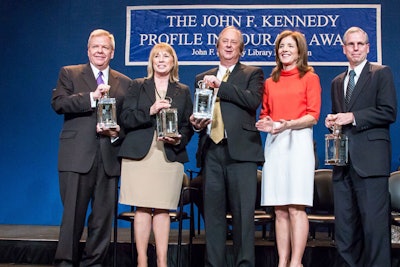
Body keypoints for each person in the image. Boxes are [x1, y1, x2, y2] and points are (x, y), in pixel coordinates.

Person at [51, 29, 132, 266]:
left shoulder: (124, 82)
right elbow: (59, 103)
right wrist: (92, 97)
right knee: (72, 217)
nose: (100, 51)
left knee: (102, 219)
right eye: (95, 46)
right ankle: (65, 262)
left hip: (108, 158)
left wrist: (117, 133)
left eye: (105, 47)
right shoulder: (70, 73)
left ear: (112, 52)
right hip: (76, 157)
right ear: (88, 50)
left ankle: (94, 263)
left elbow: (127, 120)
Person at [190, 26, 264, 267]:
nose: (229, 45)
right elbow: (200, 111)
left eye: (234, 42)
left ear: (241, 49)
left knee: (244, 217)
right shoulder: (202, 77)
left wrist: (220, 86)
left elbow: (252, 100)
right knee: (213, 217)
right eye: (225, 41)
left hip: (241, 153)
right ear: (217, 46)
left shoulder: (253, 74)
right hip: (211, 151)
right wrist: (196, 124)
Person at [325, 26, 397, 266]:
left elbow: (388, 111)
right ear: (344, 49)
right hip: (343, 163)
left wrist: (353, 117)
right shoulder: (337, 81)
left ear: (367, 47)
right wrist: (332, 120)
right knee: (345, 229)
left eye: (360, 44)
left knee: (374, 230)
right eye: (351, 44)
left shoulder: (380, 73)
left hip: (370, 163)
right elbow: (340, 117)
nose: (355, 48)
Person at [118, 42, 193, 267]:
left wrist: (179, 138)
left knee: (163, 208)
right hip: (140, 155)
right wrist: (149, 111)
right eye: (156, 57)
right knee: (141, 207)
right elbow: (126, 118)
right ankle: (142, 259)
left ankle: (162, 261)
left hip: (168, 155)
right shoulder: (137, 85)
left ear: (173, 62)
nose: (161, 60)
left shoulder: (183, 90)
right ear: (151, 62)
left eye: (166, 57)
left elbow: (187, 126)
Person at [255, 30, 321, 267]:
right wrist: (265, 123)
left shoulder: (310, 78)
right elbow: (265, 113)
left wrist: (288, 124)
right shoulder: (271, 81)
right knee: (280, 209)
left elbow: (313, 116)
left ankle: (296, 262)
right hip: (275, 145)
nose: (285, 50)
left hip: (299, 143)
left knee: (296, 206)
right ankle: (282, 261)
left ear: (299, 51)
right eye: (281, 46)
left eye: (290, 46)